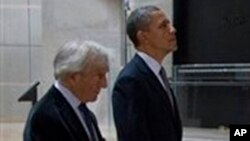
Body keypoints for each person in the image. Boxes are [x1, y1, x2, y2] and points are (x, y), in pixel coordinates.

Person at [112, 6, 182, 141]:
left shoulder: (157, 74)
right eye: (163, 26)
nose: (173, 30)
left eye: (170, 24)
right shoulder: (130, 80)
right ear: (143, 37)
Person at [24, 40, 110, 141]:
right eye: (99, 76)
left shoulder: (84, 112)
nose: (104, 84)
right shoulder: (45, 117)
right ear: (73, 77)